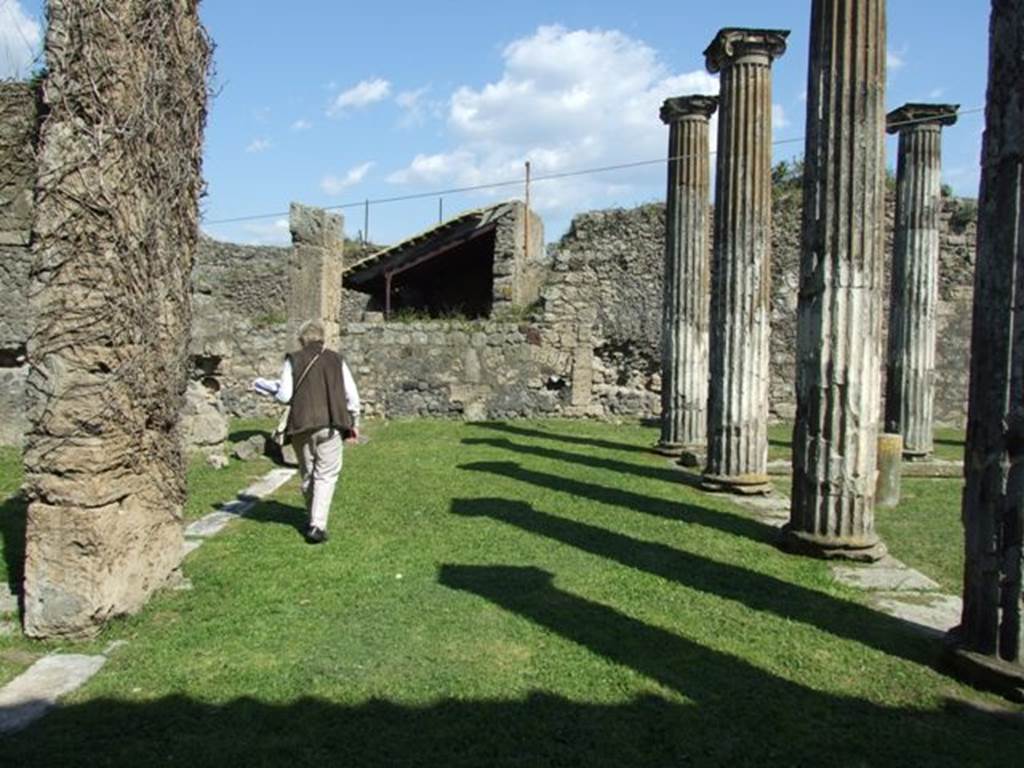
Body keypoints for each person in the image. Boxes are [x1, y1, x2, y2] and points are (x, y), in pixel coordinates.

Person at [253, 320, 360, 543]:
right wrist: (354, 422)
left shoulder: (294, 359)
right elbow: (352, 397)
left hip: (301, 426)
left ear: (301, 339)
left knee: (308, 473)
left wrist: (268, 388)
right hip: (330, 425)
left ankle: (313, 517)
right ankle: (317, 525)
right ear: (322, 338)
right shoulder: (336, 360)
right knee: (326, 475)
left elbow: (284, 396)